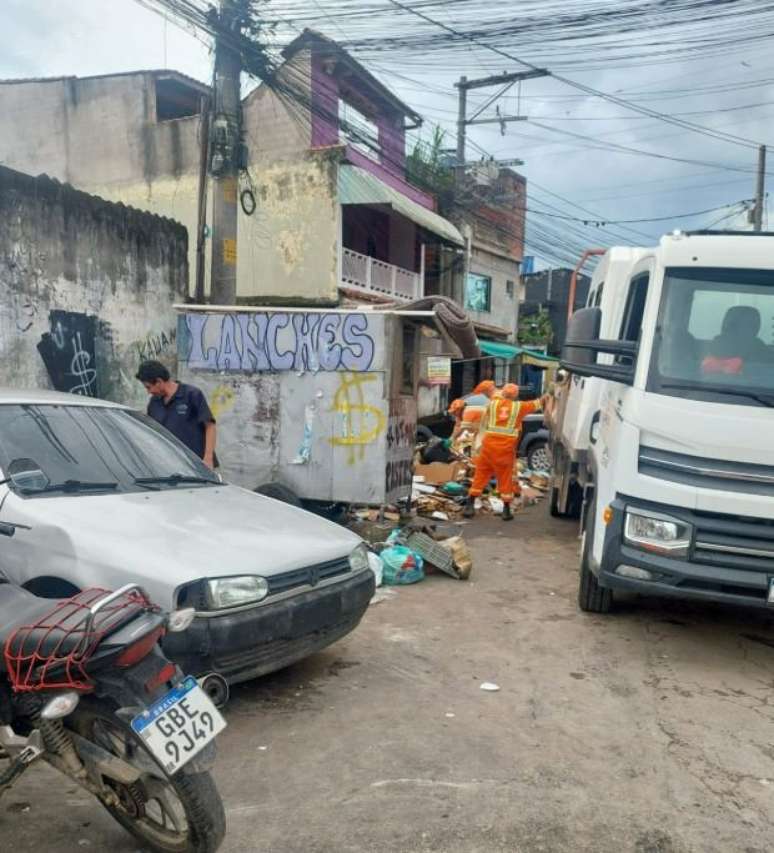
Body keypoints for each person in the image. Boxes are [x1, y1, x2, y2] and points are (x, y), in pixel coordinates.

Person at [464, 383, 545, 521]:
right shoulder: (519, 407)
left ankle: (469, 505)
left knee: (480, 475)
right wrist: (550, 392)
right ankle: (506, 511)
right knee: (505, 479)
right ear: (515, 395)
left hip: (488, 447)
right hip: (504, 450)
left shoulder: (492, 404)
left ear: (503, 393)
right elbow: (539, 403)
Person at [136, 360, 218, 469]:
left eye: (148, 387)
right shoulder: (153, 403)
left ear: (159, 381)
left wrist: (208, 458)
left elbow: (210, 426)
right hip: (170, 467)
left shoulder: (191, 395)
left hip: (198, 466)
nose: (149, 392)